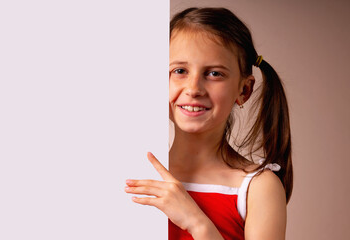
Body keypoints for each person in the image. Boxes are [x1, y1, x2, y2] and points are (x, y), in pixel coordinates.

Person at [125, 7, 293, 240]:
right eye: (180, 70)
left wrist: (196, 223)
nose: (193, 89)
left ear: (244, 90)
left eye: (214, 74)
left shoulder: (258, 188)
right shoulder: (135, 176)